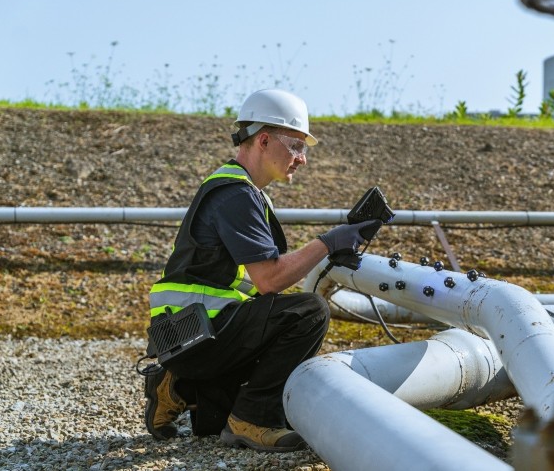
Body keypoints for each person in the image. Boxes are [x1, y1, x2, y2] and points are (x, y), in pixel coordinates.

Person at [143, 88, 380, 452]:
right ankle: (252, 419)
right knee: (308, 312)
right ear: (264, 140)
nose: (302, 159)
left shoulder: (243, 190)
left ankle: (178, 387)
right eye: (296, 146)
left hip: (192, 334)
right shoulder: (236, 195)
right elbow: (269, 280)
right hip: (195, 335)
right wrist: (327, 243)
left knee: (212, 421)